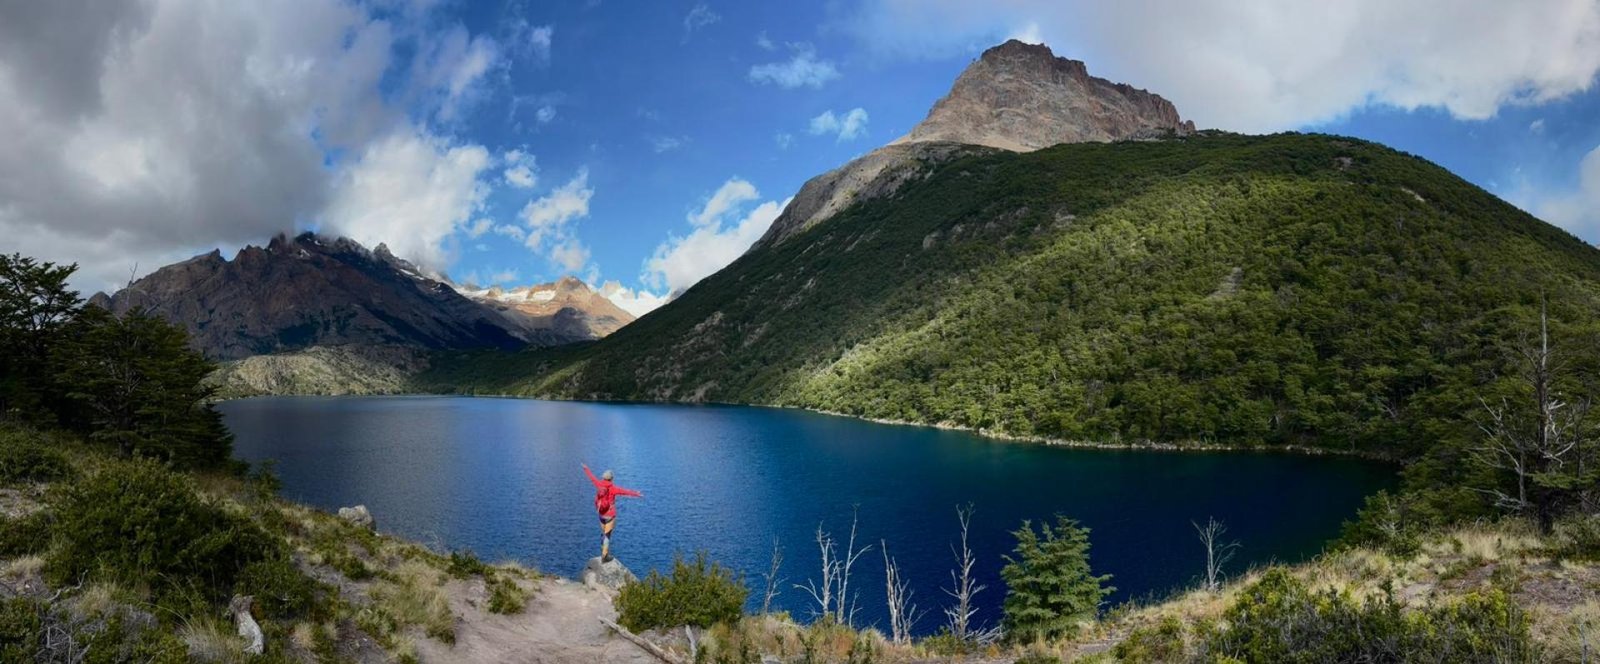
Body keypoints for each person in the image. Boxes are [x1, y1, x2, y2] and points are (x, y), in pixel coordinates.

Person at [582, 463, 642, 561]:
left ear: (603, 478)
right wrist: (636, 493)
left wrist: (586, 469)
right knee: (607, 535)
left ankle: (603, 551)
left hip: (601, 514)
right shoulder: (613, 488)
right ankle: (604, 556)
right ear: (611, 479)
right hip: (610, 515)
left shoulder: (599, 484)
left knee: (603, 533)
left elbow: (591, 477)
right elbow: (624, 491)